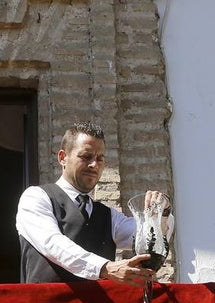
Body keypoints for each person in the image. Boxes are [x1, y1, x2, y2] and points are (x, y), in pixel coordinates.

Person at [16, 122, 171, 285]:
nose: (94, 165)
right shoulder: (36, 197)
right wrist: (105, 268)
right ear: (62, 158)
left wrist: (163, 211)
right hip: (49, 301)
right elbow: (53, 244)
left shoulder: (109, 216)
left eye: (100, 159)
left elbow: (146, 237)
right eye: (86, 157)